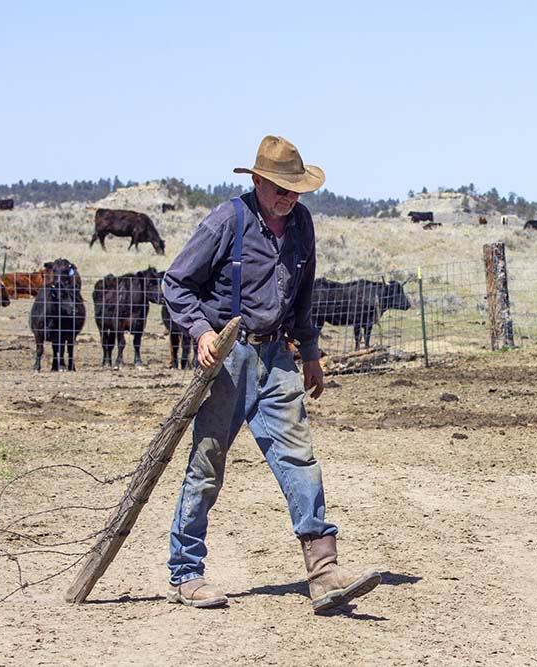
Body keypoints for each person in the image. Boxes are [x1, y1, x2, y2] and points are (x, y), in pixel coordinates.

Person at [161, 135, 381, 613]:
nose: (289, 197)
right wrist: (201, 332)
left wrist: (311, 352)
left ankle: (324, 574)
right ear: (257, 181)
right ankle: (186, 573)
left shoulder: (301, 223)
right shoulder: (227, 220)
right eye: (280, 188)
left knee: (300, 458)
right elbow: (176, 282)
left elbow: (303, 294)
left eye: (295, 188)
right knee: (207, 466)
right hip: (226, 358)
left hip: (278, 356)